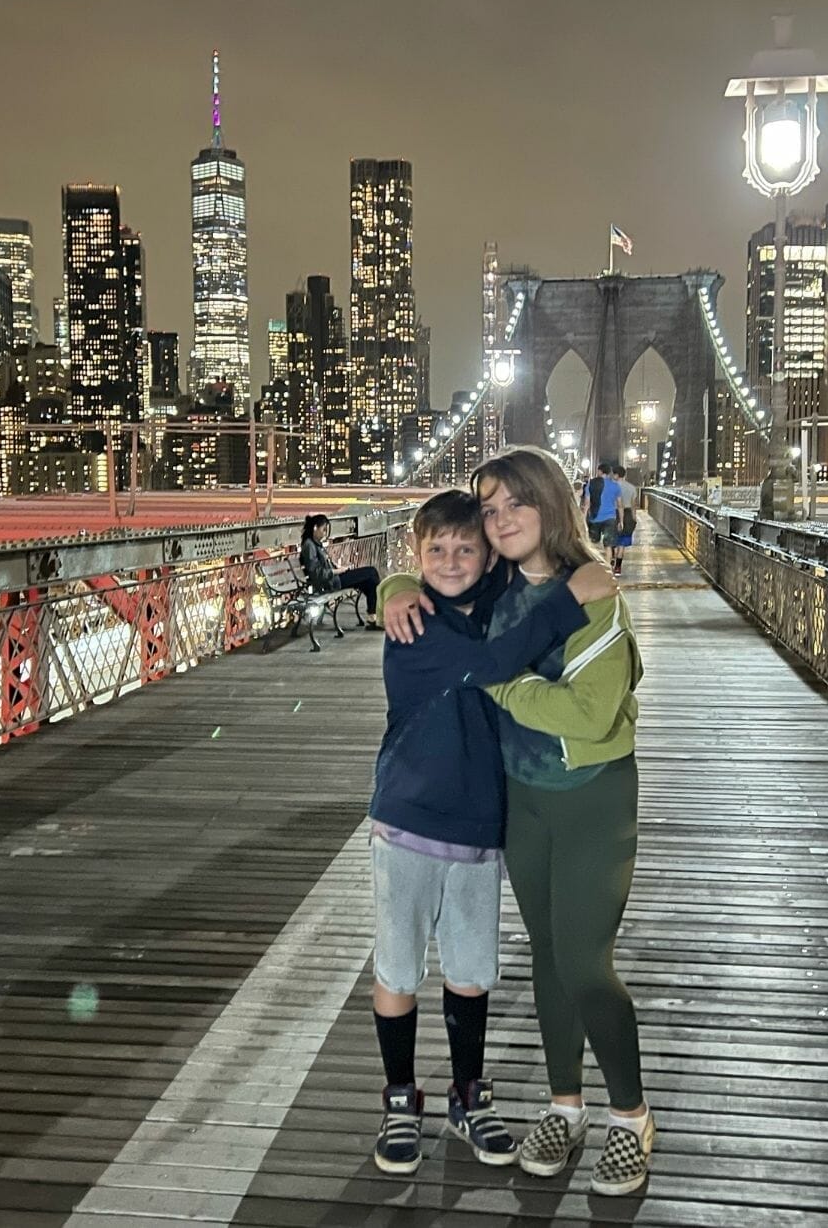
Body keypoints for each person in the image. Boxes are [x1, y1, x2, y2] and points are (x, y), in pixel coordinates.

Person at [383, 445, 654, 1197]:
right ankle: (565, 1106)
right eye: (490, 507)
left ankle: (630, 1116)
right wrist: (396, 585)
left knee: (583, 963)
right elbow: (437, 567)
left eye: (515, 505)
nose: (499, 521)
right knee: (544, 957)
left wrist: (496, 685)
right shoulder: (498, 584)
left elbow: (591, 714)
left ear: (552, 505)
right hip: (521, 800)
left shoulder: (594, 593)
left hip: (592, 793)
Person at [299, 513, 380, 628]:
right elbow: (317, 573)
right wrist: (338, 571)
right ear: (315, 528)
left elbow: (323, 565)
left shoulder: (315, 544)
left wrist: (338, 567)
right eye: (324, 530)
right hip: (331, 582)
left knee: (370, 581)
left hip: (334, 578)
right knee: (371, 572)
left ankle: (374, 617)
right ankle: (376, 615)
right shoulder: (309, 546)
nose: (325, 533)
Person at [583, 461, 622, 551]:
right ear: (609, 473)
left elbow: (587, 503)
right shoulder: (615, 486)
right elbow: (620, 505)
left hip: (595, 517)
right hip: (610, 517)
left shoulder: (591, 484)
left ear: (600, 471)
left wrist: (584, 518)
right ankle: (608, 564)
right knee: (608, 546)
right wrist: (621, 520)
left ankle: (595, 563)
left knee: (593, 545)